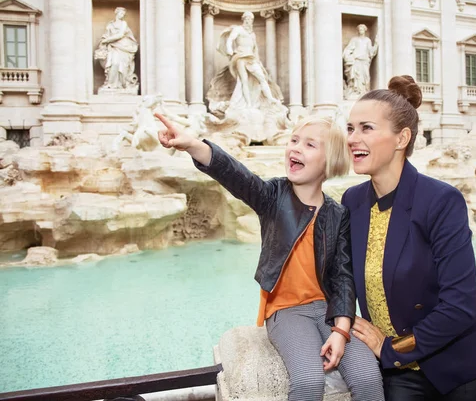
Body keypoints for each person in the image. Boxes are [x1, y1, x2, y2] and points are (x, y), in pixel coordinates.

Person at [154, 112, 384, 401]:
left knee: (368, 377)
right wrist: (193, 145)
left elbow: (343, 275)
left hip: (328, 309)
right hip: (286, 311)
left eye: (310, 145)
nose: (296, 148)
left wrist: (341, 328)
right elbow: (235, 175)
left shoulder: (337, 214)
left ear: (331, 161)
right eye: (294, 140)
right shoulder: (273, 196)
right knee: (308, 381)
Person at [342, 75, 476, 400]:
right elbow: (341, 276)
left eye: (366, 128)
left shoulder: (441, 201)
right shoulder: (351, 202)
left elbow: (460, 306)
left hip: (460, 370)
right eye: (350, 128)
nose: (353, 138)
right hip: (399, 375)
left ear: (401, 138)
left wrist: (389, 348)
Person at [218, 11, 280, 107]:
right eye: (247, 19)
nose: (249, 21)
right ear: (243, 19)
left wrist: (258, 61)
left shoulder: (252, 34)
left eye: (250, 19)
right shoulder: (238, 29)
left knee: (262, 77)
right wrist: (229, 49)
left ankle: (270, 98)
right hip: (240, 56)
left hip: (251, 58)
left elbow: (255, 49)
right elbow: (230, 39)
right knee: (244, 80)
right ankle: (248, 104)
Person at [94, 7, 139, 91]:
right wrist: (103, 41)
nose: (122, 15)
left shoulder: (124, 23)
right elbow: (105, 35)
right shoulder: (110, 25)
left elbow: (120, 35)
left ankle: (123, 84)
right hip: (113, 47)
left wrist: (106, 40)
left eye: (123, 14)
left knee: (122, 66)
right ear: (116, 13)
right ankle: (111, 84)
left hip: (123, 47)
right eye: (121, 13)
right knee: (114, 63)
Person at [343, 24, 378, 99]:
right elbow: (348, 49)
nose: (360, 30)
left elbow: (371, 52)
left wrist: (376, 44)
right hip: (356, 60)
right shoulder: (354, 39)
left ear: (365, 30)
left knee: (365, 77)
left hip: (365, 61)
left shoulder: (367, 40)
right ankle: (356, 91)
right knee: (356, 77)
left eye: (362, 29)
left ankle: (364, 92)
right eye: (359, 29)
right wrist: (348, 56)